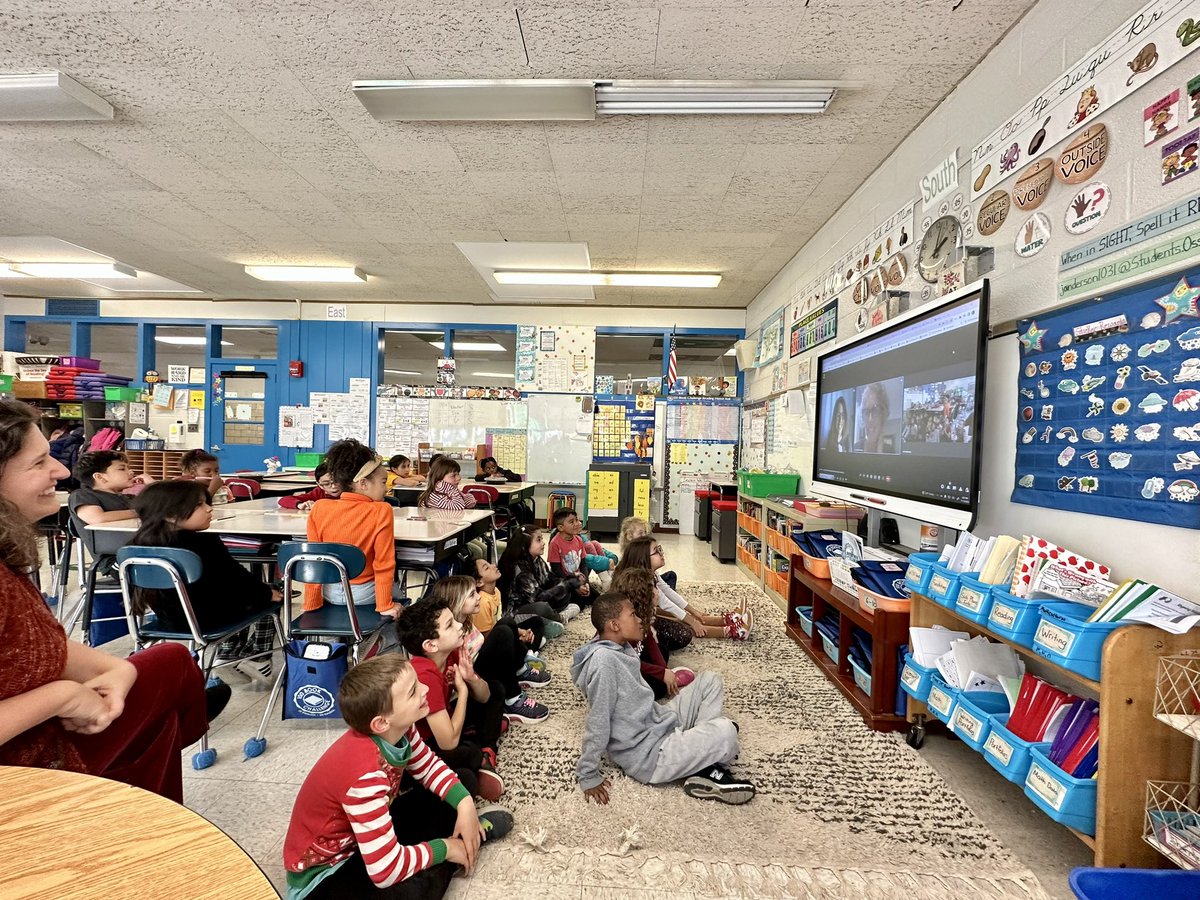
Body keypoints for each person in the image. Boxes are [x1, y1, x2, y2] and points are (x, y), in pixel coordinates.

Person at [0, 399, 210, 805]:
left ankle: (143, 820)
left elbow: (28, 648)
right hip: (28, 764)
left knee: (166, 673)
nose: (61, 471)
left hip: (44, 734)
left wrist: (115, 668)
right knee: (168, 696)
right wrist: (61, 696)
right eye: (39, 462)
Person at [283, 655, 513, 900]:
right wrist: (445, 849)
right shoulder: (365, 775)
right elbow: (384, 870)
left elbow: (430, 767)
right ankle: (462, 848)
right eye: (413, 691)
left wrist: (466, 805)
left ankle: (461, 843)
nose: (425, 689)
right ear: (382, 722)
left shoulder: (401, 729)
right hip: (326, 876)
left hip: (364, 844)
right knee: (410, 892)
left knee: (463, 781)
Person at [572, 592, 754, 806]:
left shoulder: (620, 647)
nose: (639, 619)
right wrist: (587, 774)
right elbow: (598, 720)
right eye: (632, 615)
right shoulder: (603, 663)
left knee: (710, 680)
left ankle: (702, 762)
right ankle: (706, 757)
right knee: (726, 731)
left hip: (661, 722)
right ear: (614, 625)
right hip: (650, 755)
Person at [129, 481, 281, 685]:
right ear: (169, 514)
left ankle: (230, 652)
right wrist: (267, 593)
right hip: (210, 620)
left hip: (167, 620)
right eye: (199, 505)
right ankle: (257, 657)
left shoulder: (137, 546)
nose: (209, 508)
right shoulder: (204, 542)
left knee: (241, 597)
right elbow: (238, 580)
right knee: (270, 596)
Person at [394, 596, 505, 802]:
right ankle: (477, 751)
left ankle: (485, 748)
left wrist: (470, 678)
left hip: (448, 722)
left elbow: (485, 697)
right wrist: (462, 692)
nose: (459, 625)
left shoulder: (451, 653)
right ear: (431, 645)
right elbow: (447, 743)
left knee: (495, 689)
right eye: (450, 625)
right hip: (427, 745)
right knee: (467, 759)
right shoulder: (424, 675)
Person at [435, 575, 551, 725]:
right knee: (502, 633)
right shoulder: (452, 634)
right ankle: (513, 699)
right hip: (474, 679)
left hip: (480, 667)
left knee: (507, 622)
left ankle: (520, 669)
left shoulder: (467, 621)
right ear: (455, 602)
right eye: (472, 595)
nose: (478, 597)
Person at [303, 440, 398, 618]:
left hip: (328, 592)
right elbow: (384, 563)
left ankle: (331, 644)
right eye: (383, 482)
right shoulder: (381, 510)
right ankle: (379, 644)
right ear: (363, 483)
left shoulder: (319, 508)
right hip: (363, 593)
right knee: (400, 599)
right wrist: (385, 605)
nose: (386, 488)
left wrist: (312, 602)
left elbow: (313, 560)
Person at [615, 536, 751, 643]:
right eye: (657, 551)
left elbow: (668, 592)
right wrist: (693, 622)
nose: (662, 553)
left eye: (660, 549)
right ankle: (732, 631)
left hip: (647, 613)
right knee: (682, 625)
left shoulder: (650, 573)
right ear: (643, 558)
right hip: (637, 624)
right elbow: (666, 604)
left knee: (680, 616)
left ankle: (727, 620)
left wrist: (694, 611)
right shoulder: (640, 581)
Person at [612, 567, 695, 700]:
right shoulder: (624, 628)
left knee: (662, 649)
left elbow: (650, 640)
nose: (658, 592)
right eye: (654, 588)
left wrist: (664, 670)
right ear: (643, 596)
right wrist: (660, 673)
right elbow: (623, 663)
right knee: (658, 688)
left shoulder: (642, 617)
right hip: (621, 671)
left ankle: (665, 677)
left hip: (634, 658)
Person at [497, 526, 582, 624]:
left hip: (538, 601)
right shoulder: (520, 569)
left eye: (542, 538)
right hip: (518, 611)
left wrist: (571, 581)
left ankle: (551, 619)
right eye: (538, 540)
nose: (543, 542)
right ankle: (559, 618)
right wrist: (566, 584)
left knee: (572, 592)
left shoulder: (536, 559)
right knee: (543, 608)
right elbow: (537, 598)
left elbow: (550, 580)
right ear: (524, 545)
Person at [473, 557, 554, 645]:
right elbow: (487, 638)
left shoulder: (496, 590)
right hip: (495, 642)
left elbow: (502, 620)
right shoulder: (482, 601)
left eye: (490, 564)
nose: (493, 566)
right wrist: (516, 636)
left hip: (504, 630)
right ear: (479, 582)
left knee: (537, 621)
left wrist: (520, 632)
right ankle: (529, 645)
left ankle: (529, 645)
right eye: (487, 568)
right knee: (508, 630)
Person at [68, 449, 155, 528]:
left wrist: (153, 485)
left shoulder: (129, 497)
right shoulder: (82, 495)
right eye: (122, 469)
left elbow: (163, 507)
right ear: (99, 477)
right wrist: (142, 512)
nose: (131, 472)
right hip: (111, 544)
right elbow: (97, 518)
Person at [548, 508, 613, 597]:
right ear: (560, 527)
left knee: (597, 599)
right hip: (565, 583)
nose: (576, 524)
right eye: (571, 522)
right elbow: (557, 571)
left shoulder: (579, 540)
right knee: (577, 603)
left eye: (576, 520)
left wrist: (585, 583)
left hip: (578, 580)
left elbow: (583, 564)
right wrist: (575, 586)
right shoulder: (554, 543)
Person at [617, 516, 677, 590]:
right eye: (641, 533)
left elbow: (655, 576)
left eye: (645, 533)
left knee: (670, 575)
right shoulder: (631, 558)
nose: (645, 536)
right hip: (640, 586)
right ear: (629, 536)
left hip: (648, 580)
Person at [278, 463, 342, 511]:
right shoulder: (318, 492)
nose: (333, 486)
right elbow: (283, 500)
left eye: (337, 481)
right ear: (319, 485)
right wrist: (300, 505)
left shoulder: (349, 491)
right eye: (327, 484)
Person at [855, 382, 894, 453]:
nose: (870, 419)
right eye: (866, 412)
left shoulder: (890, 452)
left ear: (884, 415)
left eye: (875, 411)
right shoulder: (855, 448)